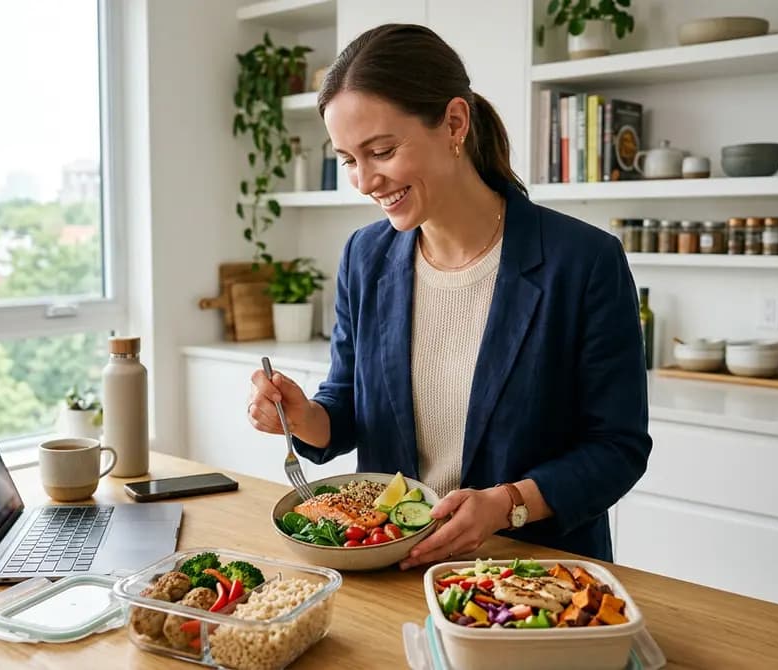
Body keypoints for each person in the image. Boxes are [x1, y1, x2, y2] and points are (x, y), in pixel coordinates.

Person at [247, 24, 650, 567]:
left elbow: (617, 449)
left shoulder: (584, 261)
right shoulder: (364, 258)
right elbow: (347, 405)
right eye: (347, 159)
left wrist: (507, 505)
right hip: (392, 566)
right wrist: (303, 417)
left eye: (382, 150)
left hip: (531, 574)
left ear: (454, 123)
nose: (364, 181)